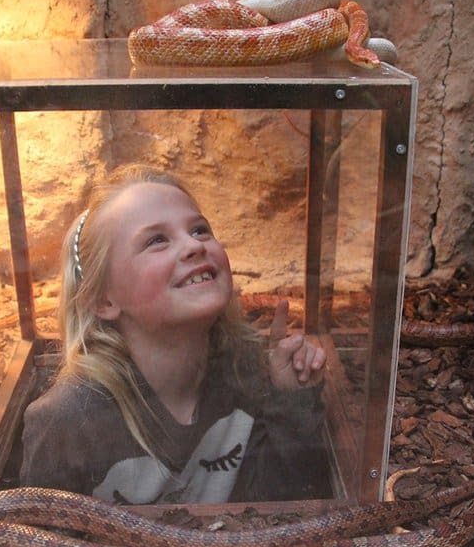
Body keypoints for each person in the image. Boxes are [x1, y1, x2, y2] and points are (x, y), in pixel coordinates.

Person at [20, 163, 333, 504]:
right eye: (157, 240)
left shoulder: (250, 374)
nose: (193, 246)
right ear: (103, 299)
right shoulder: (65, 419)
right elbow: (42, 544)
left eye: (200, 230)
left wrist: (292, 400)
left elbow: (288, 511)